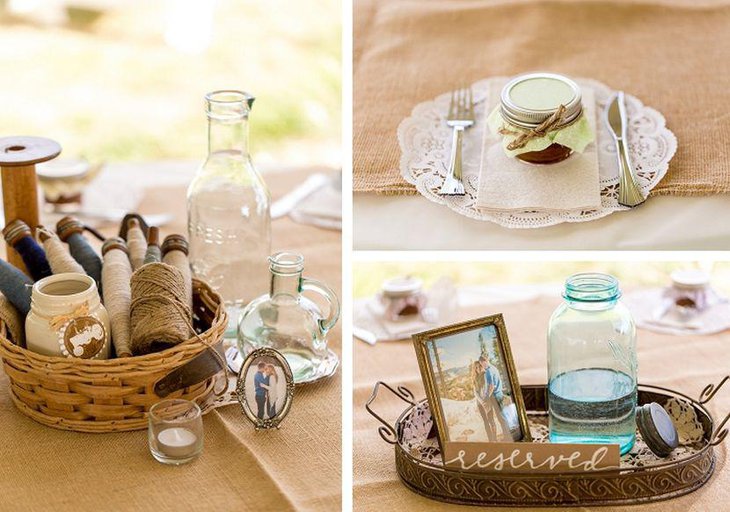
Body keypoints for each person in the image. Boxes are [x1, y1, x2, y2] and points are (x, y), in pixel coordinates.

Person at [479, 354, 513, 440]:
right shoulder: (494, 368)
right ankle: (507, 435)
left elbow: (491, 386)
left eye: (482, 363)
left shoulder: (488, 371)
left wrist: (486, 397)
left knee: (501, 417)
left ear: (484, 361)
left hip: (495, 396)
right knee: (502, 416)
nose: (482, 365)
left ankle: (507, 437)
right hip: (499, 394)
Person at [470, 360, 497, 440]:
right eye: (476, 367)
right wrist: (482, 402)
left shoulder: (486, 375)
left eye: (479, 366)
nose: (478, 369)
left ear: (481, 366)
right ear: (474, 369)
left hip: (487, 401)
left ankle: (495, 439)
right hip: (480, 403)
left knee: (491, 420)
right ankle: (490, 440)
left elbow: (491, 386)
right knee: (485, 422)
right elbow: (475, 392)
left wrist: (486, 398)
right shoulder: (474, 379)